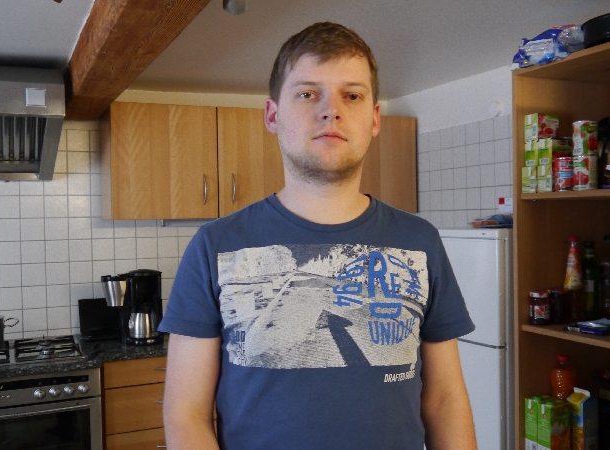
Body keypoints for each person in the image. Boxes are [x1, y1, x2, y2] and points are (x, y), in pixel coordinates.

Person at [159, 21, 478, 450]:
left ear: (374, 118)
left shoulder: (420, 241)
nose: (332, 111)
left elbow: (444, 400)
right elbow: (186, 413)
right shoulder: (214, 245)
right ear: (273, 115)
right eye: (308, 94)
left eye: (352, 95)